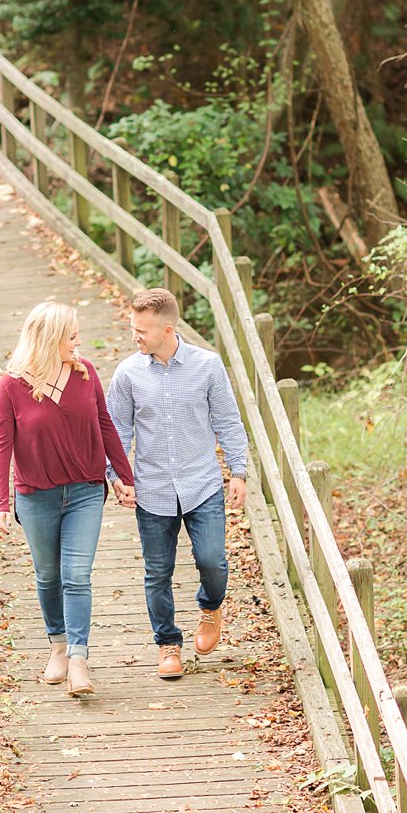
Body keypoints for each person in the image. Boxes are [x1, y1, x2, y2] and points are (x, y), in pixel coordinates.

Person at [0, 301, 134, 697]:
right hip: (36, 496)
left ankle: (78, 658)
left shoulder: (85, 374)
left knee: (76, 575)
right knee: (48, 574)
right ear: (51, 339)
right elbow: (1, 445)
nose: (78, 341)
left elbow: (105, 424)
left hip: (86, 490)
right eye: (72, 336)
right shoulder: (12, 385)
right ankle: (56, 644)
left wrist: (124, 475)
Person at [105, 288, 248, 680]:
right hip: (152, 488)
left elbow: (228, 421)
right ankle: (168, 644)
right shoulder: (127, 373)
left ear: (168, 330)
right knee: (157, 572)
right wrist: (117, 476)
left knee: (212, 561)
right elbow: (116, 431)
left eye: (142, 331)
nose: (135, 337)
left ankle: (211, 606)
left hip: (201, 483)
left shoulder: (208, 365)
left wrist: (239, 472)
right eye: (133, 329)